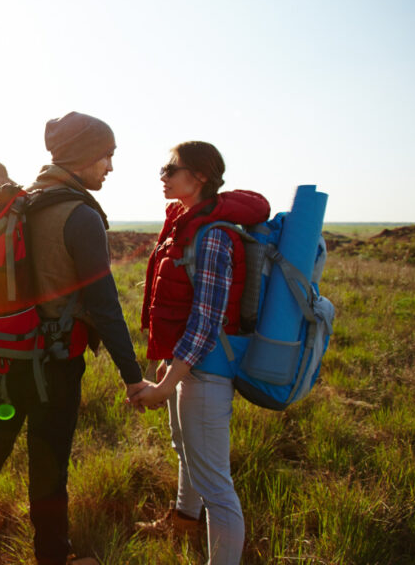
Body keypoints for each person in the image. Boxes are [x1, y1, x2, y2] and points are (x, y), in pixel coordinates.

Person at [0, 112, 152, 565]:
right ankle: (53, 555)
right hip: (56, 361)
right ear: (84, 156)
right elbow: (104, 306)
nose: (110, 166)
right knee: (48, 456)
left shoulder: (23, 201)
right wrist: (132, 376)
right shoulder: (79, 215)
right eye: (107, 155)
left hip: (8, 352)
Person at [129, 141, 270, 565]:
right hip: (185, 364)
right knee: (184, 449)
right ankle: (185, 519)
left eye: (171, 169)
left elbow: (206, 320)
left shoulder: (213, 235)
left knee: (216, 485)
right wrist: (167, 362)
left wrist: (166, 383)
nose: (163, 175)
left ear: (201, 176)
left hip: (206, 372)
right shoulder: (185, 223)